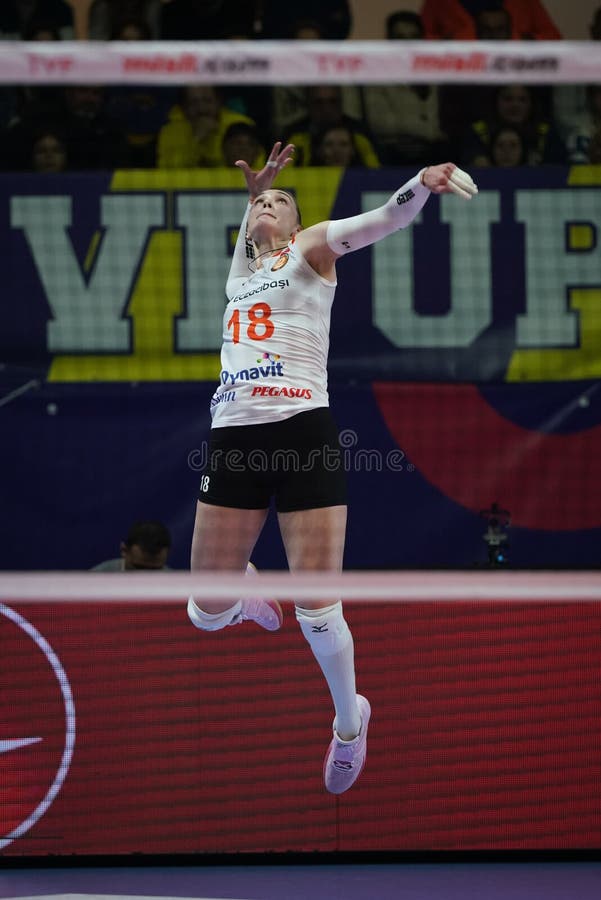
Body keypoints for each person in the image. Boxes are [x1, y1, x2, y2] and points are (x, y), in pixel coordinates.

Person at [188, 141, 478, 794]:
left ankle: (350, 722)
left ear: (296, 222)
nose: (267, 204)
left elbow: (383, 219)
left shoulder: (314, 248)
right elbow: (253, 233)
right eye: (259, 202)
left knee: (318, 612)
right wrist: (255, 196)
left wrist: (420, 183)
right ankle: (246, 597)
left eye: (279, 200)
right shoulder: (240, 275)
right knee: (203, 610)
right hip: (233, 436)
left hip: (302, 433)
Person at [92, 520, 172, 571]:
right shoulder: (96, 579)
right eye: (139, 568)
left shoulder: (176, 588)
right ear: (124, 550)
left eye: (155, 570)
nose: (145, 576)